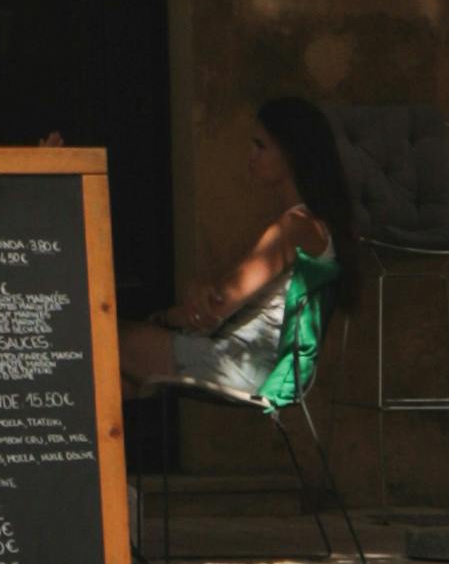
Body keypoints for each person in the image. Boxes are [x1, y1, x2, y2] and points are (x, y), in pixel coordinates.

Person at [121, 94, 354, 400]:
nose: (250, 156)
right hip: (257, 364)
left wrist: (164, 317)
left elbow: (216, 308)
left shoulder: (293, 227)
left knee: (106, 338)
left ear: (291, 155)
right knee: (115, 376)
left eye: (261, 146)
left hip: (250, 368)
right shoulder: (312, 224)